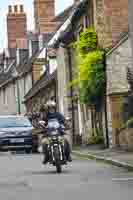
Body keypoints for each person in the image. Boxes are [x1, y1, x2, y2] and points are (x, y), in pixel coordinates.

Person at [41, 100, 72, 164]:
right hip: (49, 133)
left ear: (55, 108)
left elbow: (64, 121)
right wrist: (42, 126)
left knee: (66, 139)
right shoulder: (46, 116)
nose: (51, 109)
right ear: (48, 109)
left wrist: (67, 125)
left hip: (59, 131)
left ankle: (68, 155)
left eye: (52, 107)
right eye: (50, 108)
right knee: (44, 142)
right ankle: (46, 157)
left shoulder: (58, 114)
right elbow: (43, 123)